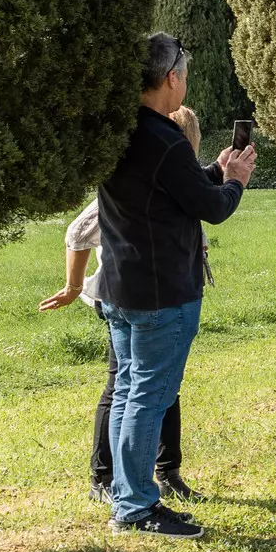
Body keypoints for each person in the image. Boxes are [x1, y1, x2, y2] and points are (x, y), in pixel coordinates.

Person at [95, 34, 254, 539]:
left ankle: (126, 495)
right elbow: (212, 207)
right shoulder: (164, 139)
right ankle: (137, 507)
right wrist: (236, 182)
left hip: (121, 285)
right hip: (164, 292)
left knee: (126, 392)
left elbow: (171, 192)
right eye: (184, 74)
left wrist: (215, 170)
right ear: (172, 78)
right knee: (149, 396)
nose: (185, 81)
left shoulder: (120, 132)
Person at [42, 107, 211, 504]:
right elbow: (78, 232)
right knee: (126, 388)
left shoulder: (179, 176)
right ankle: (106, 479)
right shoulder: (138, 178)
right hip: (126, 297)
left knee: (162, 387)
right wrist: (71, 286)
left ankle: (166, 473)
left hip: (161, 295)